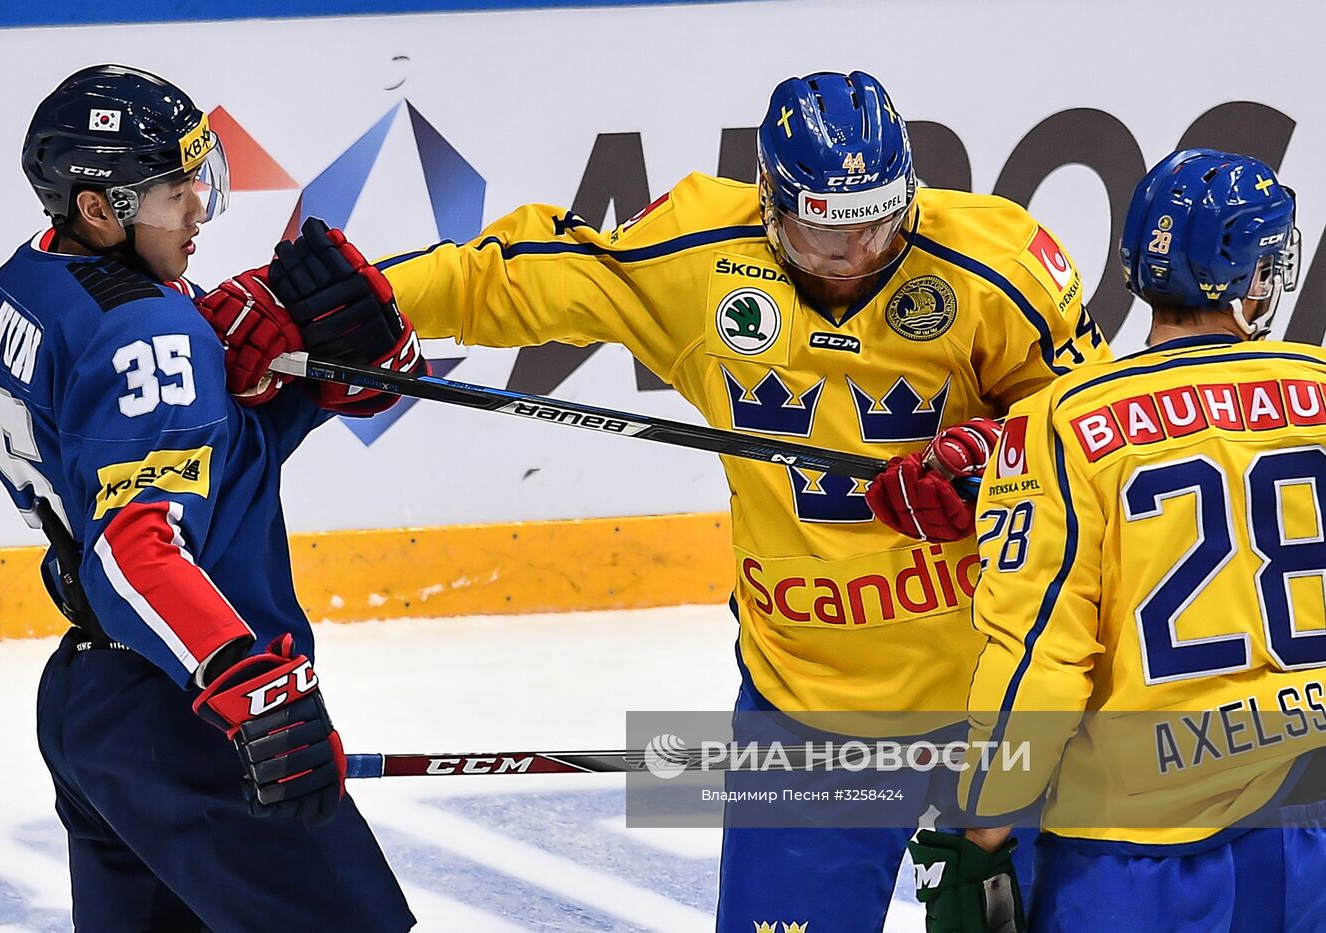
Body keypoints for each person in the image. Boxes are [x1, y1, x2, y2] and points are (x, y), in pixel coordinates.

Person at [204, 71, 1110, 930]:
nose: (856, 256)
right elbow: (519, 275)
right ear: (769, 202)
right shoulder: (697, 252)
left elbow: (1096, 439)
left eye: (879, 228)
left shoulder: (1001, 266)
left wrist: (995, 461)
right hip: (810, 701)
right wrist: (358, 300)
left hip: (1003, 693)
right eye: (827, 234)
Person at [0, 64, 421, 930]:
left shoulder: (28, 283)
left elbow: (192, 453)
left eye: (200, 179)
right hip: (187, 717)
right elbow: (136, 547)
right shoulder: (150, 328)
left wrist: (313, 383)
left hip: (92, 707)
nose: (200, 209)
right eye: (177, 191)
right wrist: (251, 689)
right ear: (100, 207)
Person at [911, 149, 1326, 932]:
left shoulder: (1061, 422)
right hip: (1309, 830)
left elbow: (1039, 657)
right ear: (1243, 276)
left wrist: (984, 826)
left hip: (1135, 854)